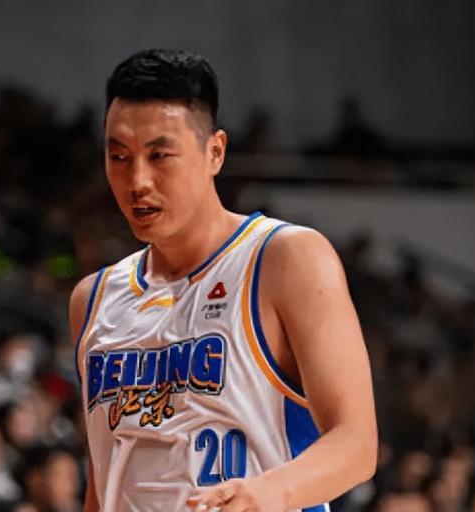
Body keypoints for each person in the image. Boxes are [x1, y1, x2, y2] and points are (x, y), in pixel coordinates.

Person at [69, 49, 377, 512]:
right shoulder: (92, 299)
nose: (137, 180)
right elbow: (102, 484)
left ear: (214, 152)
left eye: (159, 155)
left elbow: (356, 444)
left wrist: (272, 491)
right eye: (119, 157)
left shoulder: (284, 258)